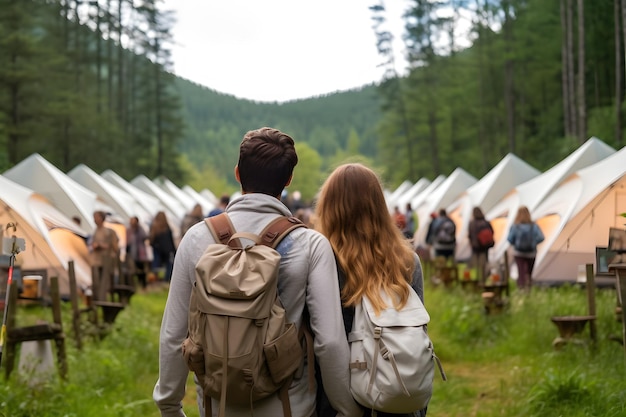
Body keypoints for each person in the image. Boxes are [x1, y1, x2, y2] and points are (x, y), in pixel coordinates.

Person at [153, 127, 362, 417]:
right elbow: (329, 342)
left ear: (238, 173)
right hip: (290, 406)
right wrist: (346, 410)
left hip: (218, 406)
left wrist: (169, 405)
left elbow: (174, 334)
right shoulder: (310, 244)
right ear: (288, 180)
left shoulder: (196, 238)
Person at [314, 163, 427, 417]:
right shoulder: (408, 261)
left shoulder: (323, 262)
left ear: (329, 208)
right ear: (378, 205)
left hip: (335, 403)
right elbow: (419, 336)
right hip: (398, 396)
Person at [507, 205, 544, 291]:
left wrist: (516, 244)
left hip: (518, 253)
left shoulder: (515, 226)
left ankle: (521, 288)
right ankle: (529, 288)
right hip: (531, 253)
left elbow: (509, 239)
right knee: (529, 272)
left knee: (521, 272)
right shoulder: (534, 226)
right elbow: (541, 238)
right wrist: (534, 243)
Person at [88, 211, 120, 301]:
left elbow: (113, 246)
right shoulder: (95, 231)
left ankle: (102, 299)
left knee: (104, 281)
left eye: (97, 217)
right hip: (96, 259)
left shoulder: (109, 232)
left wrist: (101, 245)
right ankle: (96, 299)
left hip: (106, 259)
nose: (95, 219)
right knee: (96, 281)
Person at [467, 206, 494, 283]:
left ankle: (476, 280)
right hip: (485, 246)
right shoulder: (486, 222)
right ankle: (483, 279)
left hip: (475, 247)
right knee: (484, 263)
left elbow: (470, 235)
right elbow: (492, 232)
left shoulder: (472, 223)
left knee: (475, 264)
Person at [149, 211, 177, 282]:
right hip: (168, 250)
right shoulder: (167, 227)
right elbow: (171, 240)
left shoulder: (154, 228)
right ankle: (167, 280)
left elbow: (151, 241)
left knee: (156, 265)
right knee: (169, 266)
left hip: (158, 250)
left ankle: (156, 280)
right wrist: (174, 251)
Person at [126, 216, 150, 288]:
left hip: (140, 252)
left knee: (141, 269)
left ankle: (143, 284)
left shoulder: (140, 229)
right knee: (133, 269)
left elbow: (145, 237)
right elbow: (128, 242)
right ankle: (136, 285)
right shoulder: (129, 230)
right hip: (132, 253)